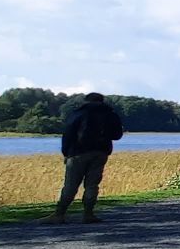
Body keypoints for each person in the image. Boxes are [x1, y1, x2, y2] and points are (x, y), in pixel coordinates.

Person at [48, 91, 124, 224]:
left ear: (86, 101)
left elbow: (68, 134)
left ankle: (59, 214)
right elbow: (117, 135)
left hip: (78, 152)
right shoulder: (111, 114)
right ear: (102, 101)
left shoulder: (78, 113)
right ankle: (88, 214)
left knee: (71, 185)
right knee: (92, 185)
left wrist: (66, 153)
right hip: (101, 152)